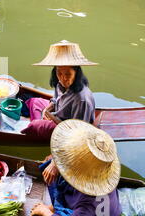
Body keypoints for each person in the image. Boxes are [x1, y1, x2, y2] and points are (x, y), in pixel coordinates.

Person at [21, 40, 98, 184]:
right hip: (56, 115)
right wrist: (47, 108)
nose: (63, 78)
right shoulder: (59, 84)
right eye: (59, 73)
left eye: (68, 74)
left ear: (77, 73)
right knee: (35, 102)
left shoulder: (82, 99)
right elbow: (55, 100)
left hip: (66, 128)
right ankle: (40, 121)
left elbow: (76, 134)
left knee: (34, 125)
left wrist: (56, 160)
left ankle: (36, 125)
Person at [30, 119, 122, 216]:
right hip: (85, 212)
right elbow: (63, 148)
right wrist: (54, 163)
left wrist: (47, 214)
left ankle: (56, 212)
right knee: (51, 164)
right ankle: (57, 208)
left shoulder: (90, 203)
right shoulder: (99, 169)